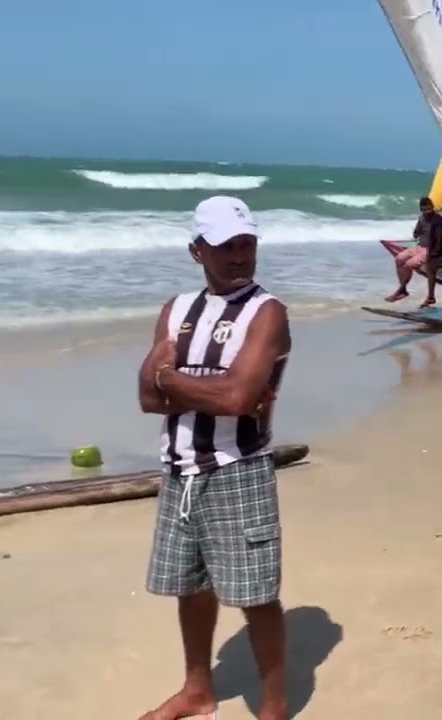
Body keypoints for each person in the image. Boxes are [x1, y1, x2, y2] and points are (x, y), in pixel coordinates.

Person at [136, 195, 292, 720]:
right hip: (179, 470)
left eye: (246, 244)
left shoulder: (266, 312)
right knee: (192, 587)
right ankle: (198, 690)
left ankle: (273, 707)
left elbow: (237, 400)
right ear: (196, 251)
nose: (238, 256)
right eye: (225, 246)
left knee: (256, 594)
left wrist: (171, 379)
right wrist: (193, 387)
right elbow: (146, 398)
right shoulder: (176, 310)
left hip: (238, 470)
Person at [385, 195, 442, 305]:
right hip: (419, 247)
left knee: (408, 264)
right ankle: (403, 289)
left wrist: (434, 254)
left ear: (432, 207)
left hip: (429, 249)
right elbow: (416, 234)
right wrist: (417, 231)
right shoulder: (422, 218)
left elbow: (439, 239)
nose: (427, 212)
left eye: (429, 209)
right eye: (424, 210)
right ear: (421, 209)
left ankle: (402, 290)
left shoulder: (438, 220)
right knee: (399, 259)